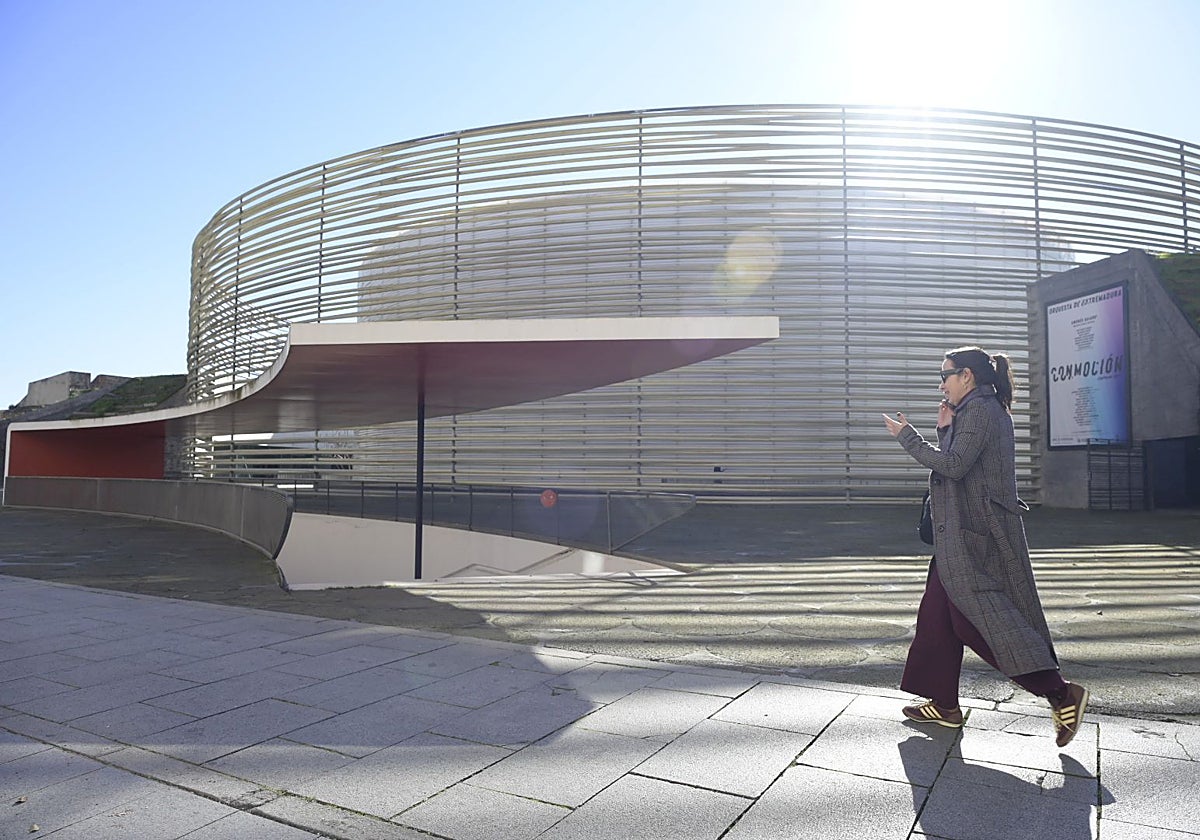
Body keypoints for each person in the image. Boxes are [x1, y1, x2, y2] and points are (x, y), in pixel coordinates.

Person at [881, 346, 1088, 747]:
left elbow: (954, 467)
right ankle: (944, 704)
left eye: (946, 374)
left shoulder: (979, 410)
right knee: (937, 616)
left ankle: (1061, 692)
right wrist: (944, 432)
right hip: (963, 533)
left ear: (967, 377)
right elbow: (962, 461)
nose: (941, 383)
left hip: (973, 536)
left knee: (977, 620)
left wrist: (908, 437)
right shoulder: (979, 410)